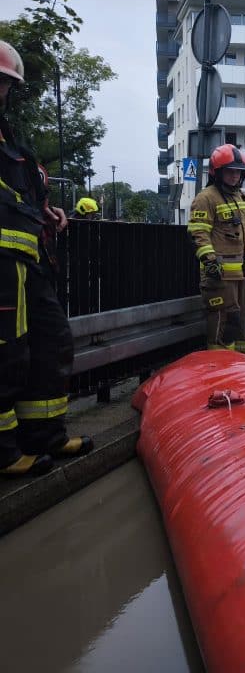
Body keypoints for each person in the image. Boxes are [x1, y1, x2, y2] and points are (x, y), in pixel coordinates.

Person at [0, 39, 93, 476]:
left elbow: (27, 193)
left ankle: (44, 436)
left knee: (51, 341)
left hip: (29, 260)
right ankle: (3, 453)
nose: (0, 90)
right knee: (6, 350)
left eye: (4, 84)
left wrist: (47, 212)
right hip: (3, 263)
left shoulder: (13, 141)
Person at [188, 144, 245, 354]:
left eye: (238, 172)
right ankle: (220, 367)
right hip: (221, 275)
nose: (235, 176)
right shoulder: (206, 198)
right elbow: (198, 233)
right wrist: (209, 259)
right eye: (230, 171)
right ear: (217, 172)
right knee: (227, 322)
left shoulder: (242, 197)